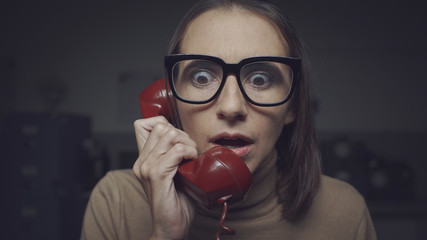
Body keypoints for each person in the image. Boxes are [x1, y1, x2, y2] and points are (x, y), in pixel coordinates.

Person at [81, 0, 377, 239]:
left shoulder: (344, 211)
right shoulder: (116, 201)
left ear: (292, 106)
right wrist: (165, 234)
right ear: (171, 101)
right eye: (201, 76)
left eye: (261, 78)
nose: (232, 106)